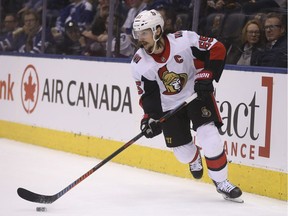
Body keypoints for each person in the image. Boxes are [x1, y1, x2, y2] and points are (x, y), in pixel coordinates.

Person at [130, 9, 242, 200]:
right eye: (138, 34)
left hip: (195, 95)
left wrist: (207, 75)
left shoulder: (184, 41)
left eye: (144, 33)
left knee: (211, 139)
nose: (140, 38)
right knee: (183, 154)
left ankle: (221, 182)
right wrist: (150, 118)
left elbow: (217, 48)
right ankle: (194, 158)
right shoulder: (140, 63)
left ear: (157, 30)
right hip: (169, 107)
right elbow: (148, 96)